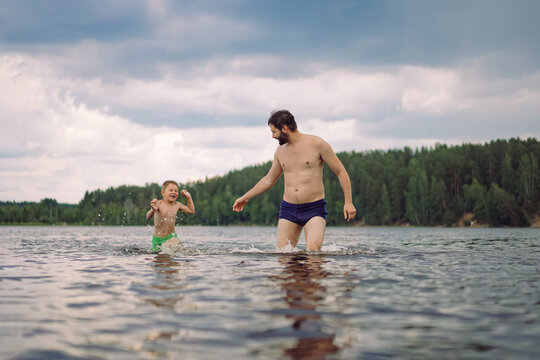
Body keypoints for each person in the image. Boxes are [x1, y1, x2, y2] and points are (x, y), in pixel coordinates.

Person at [233, 110, 356, 251]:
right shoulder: (280, 152)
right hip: (288, 210)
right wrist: (245, 197)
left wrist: (348, 202)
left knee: (313, 252)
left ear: (284, 128)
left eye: (274, 132)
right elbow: (269, 180)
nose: (273, 136)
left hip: (314, 208)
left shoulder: (317, 144)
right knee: (284, 256)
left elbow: (341, 171)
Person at [146, 180, 195, 253]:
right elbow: (147, 217)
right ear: (163, 193)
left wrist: (188, 197)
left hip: (171, 237)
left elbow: (191, 211)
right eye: (171, 190)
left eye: (176, 191)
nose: (174, 192)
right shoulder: (158, 204)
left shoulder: (177, 205)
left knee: (177, 253)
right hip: (157, 239)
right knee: (158, 259)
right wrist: (153, 209)